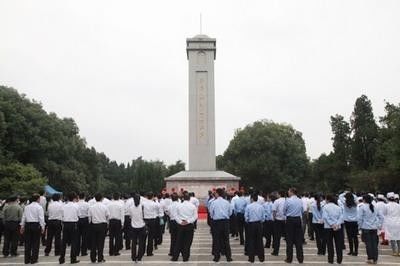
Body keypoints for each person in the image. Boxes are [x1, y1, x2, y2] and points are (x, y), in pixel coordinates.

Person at [171, 192, 198, 262]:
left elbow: (175, 215)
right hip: (189, 225)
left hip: (180, 225)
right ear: (189, 199)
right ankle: (185, 257)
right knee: (188, 242)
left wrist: (180, 222)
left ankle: (175, 257)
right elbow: (195, 216)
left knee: (178, 241)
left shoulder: (179, 205)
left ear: (183, 198)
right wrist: (188, 221)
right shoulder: (193, 206)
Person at [20, 193, 45, 264]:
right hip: (36, 225)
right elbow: (41, 218)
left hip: (28, 225)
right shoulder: (39, 207)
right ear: (38, 199)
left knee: (27, 243)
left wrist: (22, 226)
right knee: (35, 243)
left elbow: (24, 217)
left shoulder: (27, 207)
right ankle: (34, 259)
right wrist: (43, 227)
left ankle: (27, 260)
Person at [358, 194, 384, 264]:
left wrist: (359, 227)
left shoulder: (362, 207)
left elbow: (360, 218)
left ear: (364, 200)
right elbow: (381, 217)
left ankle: (370, 258)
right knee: (374, 244)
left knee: (368, 244)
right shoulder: (375, 207)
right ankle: (375, 259)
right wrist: (379, 225)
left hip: (366, 227)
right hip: (374, 228)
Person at [209, 188, 233, 262]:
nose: (215, 194)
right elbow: (230, 212)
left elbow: (211, 213)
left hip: (216, 222)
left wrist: (214, 217)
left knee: (217, 240)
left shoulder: (214, 202)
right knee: (226, 240)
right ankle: (228, 257)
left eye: (215, 193)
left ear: (218, 194)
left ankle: (216, 257)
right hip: (225, 222)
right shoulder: (227, 202)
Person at [283, 187, 304, 264]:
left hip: (290, 220)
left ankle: (289, 258)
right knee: (298, 240)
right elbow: (302, 210)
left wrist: (288, 214)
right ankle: (300, 258)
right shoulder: (300, 200)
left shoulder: (288, 200)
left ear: (291, 192)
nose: (288, 192)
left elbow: (284, 211)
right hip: (297, 219)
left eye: (288, 191)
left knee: (289, 240)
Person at [59, 192, 80, 264]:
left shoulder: (64, 206)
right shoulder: (76, 206)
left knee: (64, 242)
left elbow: (61, 215)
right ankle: (73, 259)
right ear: (74, 198)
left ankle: (61, 258)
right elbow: (79, 215)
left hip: (65, 224)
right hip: (73, 224)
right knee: (74, 242)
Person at [88, 193, 110, 263]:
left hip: (94, 225)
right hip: (102, 225)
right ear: (101, 198)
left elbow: (89, 217)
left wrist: (91, 223)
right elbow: (108, 216)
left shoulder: (91, 207)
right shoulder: (104, 207)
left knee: (93, 242)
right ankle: (100, 258)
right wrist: (107, 223)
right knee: (101, 242)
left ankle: (93, 258)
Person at [322, 194, 343, 264]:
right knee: (338, 244)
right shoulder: (338, 207)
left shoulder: (325, 207)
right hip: (338, 227)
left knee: (330, 244)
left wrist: (332, 224)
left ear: (327, 199)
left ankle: (331, 259)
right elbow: (341, 217)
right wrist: (336, 224)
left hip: (328, 227)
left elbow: (325, 217)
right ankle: (339, 259)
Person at [245, 193, 265, 263]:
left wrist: (248, 221)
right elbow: (263, 218)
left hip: (251, 224)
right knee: (259, 240)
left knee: (251, 241)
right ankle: (261, 258)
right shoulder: (261, 206)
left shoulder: (248, 206)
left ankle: (251, 258)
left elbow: (246, 217)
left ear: (252, 199)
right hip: (259, 224)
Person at [129, 193, 146, 262]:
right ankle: (139, 257)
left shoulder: (131, 208)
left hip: (133, 226)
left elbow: (130, 216)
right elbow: (144, 216)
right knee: (141, 242)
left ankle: (133, 256)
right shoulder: (142, 207)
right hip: (141, 226)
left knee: (133, 242)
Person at [142, 192, 158, 256]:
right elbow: (157, 210)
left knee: (143, 237)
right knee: (151, 237)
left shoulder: (143, 203)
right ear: (152, 197)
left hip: (145, 220)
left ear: (147, 196)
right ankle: (149, 252)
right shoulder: (154, 204)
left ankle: (142, 251)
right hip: (152, 220)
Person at [342, 192, 359, 256]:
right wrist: (352, 194)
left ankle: (351, 251)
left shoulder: (345, 203)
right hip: (355, 221)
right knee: (355, 237)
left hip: (347, 221)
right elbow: (356, 197)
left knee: (349, 237)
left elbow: (341, 197)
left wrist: (345, 193)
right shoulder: (356, 203)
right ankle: (356, 251)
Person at [271, 191, 286, 256]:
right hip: (285, 220)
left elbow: (274, 211)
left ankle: (276, 251)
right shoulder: (287, 201)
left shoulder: (277, 201)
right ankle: (289, 252)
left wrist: (274, 218)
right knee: (288, 237)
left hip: (278, 220)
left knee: (277, 237)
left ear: (279, 194)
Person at [77, 192, 89, 256]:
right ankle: (83, 252)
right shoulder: (87, 204)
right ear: (84, 197)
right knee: (85, 237)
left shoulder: (76, 204)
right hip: (85, 220)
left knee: (77, 237)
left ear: (78, 196)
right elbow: (89, 213)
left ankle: (77, 251)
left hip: (78, 220)